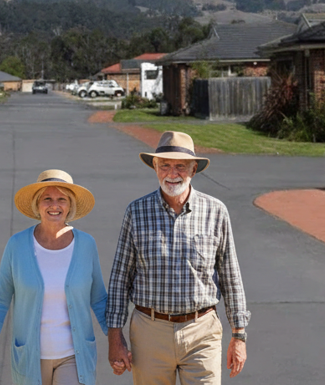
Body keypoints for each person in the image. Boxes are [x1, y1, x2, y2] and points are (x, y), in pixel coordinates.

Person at [106, 131, 249, 383]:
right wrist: (114, 337)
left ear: (193, 169)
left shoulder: (216, 211)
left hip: (201, 331)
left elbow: (230, 276)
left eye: (180, 166)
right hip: (149, 332)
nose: (172, 173)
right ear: (155, 167)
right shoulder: (136, 212)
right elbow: (120, 277)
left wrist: (239, 335)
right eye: (165, 165)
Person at [0, 169, 109, 385]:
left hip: (73, 356)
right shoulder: (17, 245)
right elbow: (0, 300)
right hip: (30, 356)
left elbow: (99, 299)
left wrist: (118, 342)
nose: (54, 205)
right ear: (37, 204)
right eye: (47, 199)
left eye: (62, 199)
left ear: (70, 206)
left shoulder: (87, 244)